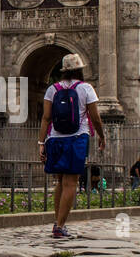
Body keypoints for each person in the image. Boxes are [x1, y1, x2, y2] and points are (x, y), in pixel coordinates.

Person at [38, 53, 105, 238]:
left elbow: (46, 118)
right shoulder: (86, 88)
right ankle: (60, 226)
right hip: (76, 138)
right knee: (71, 183)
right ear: (80, 69)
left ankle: (56, 223)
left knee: (60, 181)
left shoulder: (53, 89)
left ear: (64, 71)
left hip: (55, 139)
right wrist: (101, 136)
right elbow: (95, 118)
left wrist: (41, 143)